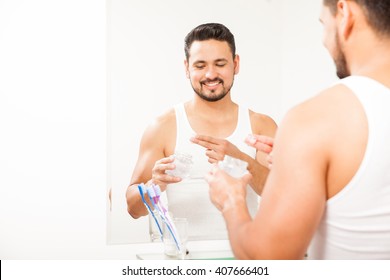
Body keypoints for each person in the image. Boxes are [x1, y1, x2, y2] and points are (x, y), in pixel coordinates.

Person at [206, 0, 390, 259]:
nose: (325, 41)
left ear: (344, 13)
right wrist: (306, 160)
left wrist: (230, 198)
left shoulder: (317, 119)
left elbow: (267, 259)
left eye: (323, 25)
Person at [126, 23, 277, 240]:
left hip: (245, 258)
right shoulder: (163, 126)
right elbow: (133, 209)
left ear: (236, 64)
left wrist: (243, 160)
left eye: (220, 63)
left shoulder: (262, 125)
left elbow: (280, 196)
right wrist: (154, 185)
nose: (210, 74)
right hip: (182, 261)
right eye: (200, 65)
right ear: (187, 68)